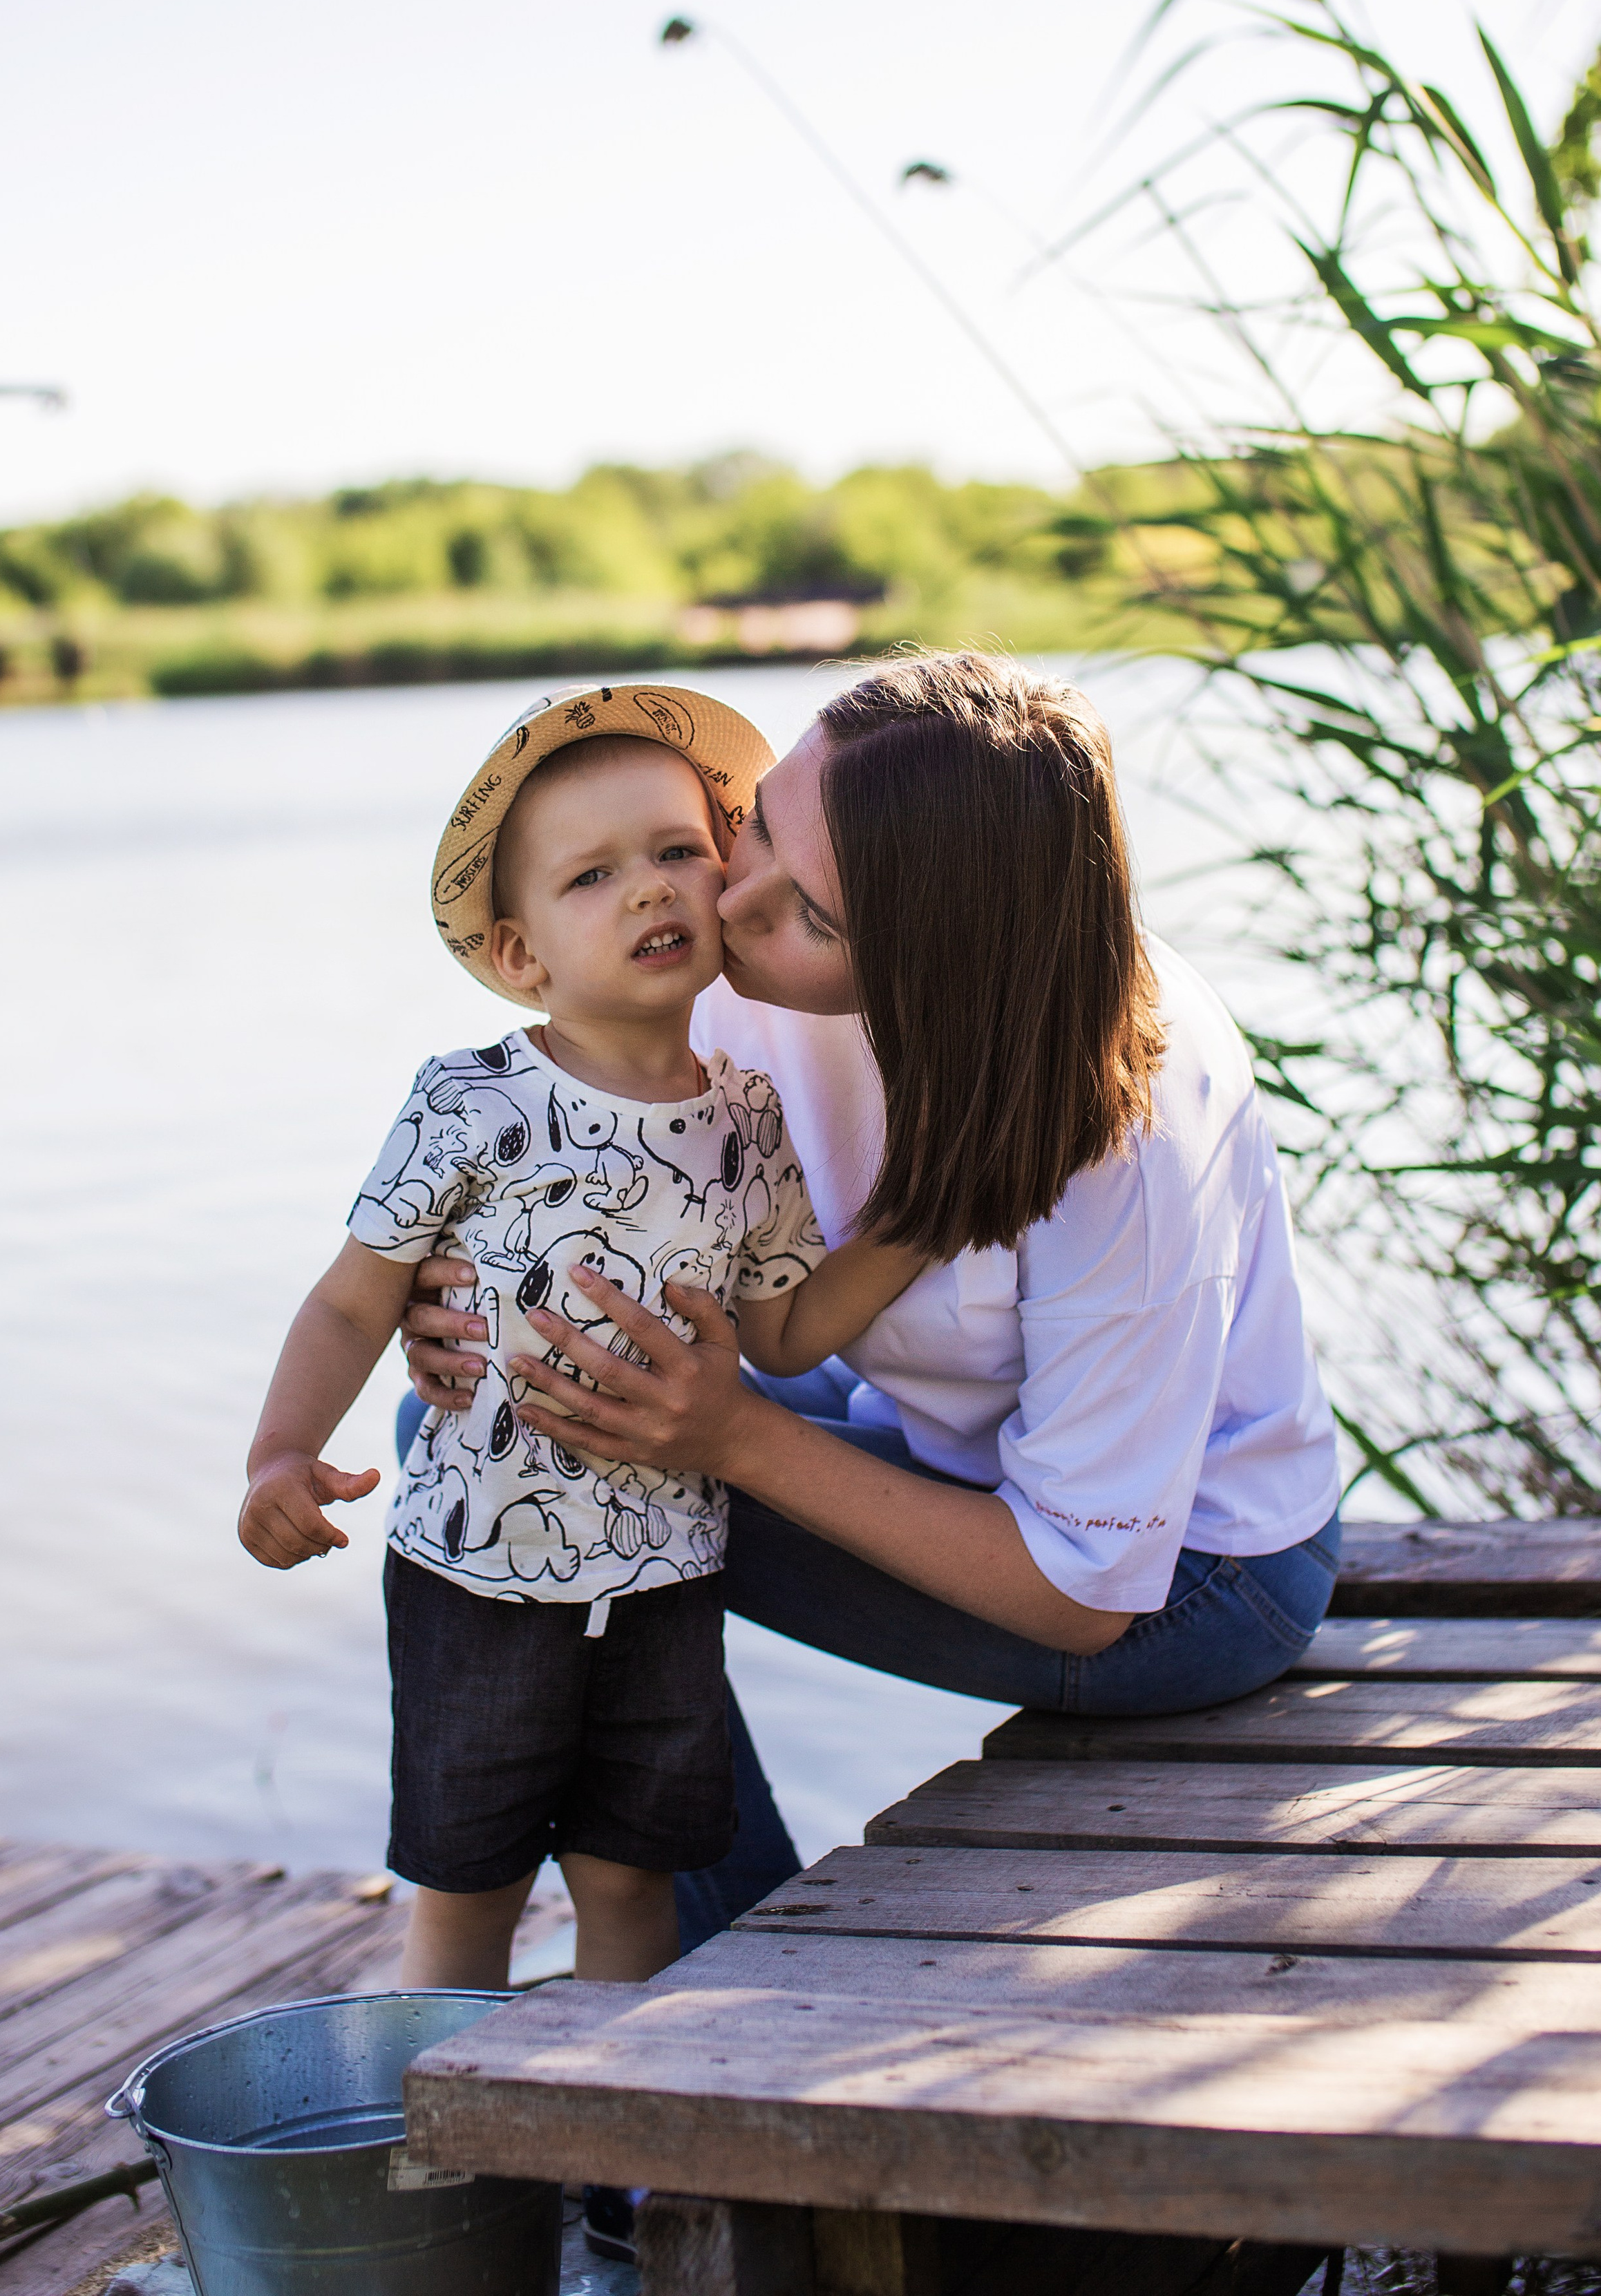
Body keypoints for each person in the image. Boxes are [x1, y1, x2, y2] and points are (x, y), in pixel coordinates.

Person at [397, 649, 1344, 1947]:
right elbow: (598, 1192)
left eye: (816, 921)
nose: (731, 903)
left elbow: (1088, 1585)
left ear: (929, 973)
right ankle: (686, 1921)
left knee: (601, 1439)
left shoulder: (1124, 1129)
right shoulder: (733, 948)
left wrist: (731, 1440)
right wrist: (474, 1301)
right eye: (764, 822)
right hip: (920, 1414)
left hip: (1188, 1580)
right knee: (517, 1413)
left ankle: (725, 1953)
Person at [237, 680, 922, 1996]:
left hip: (662, 1583)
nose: (652, 891)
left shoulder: (749, 1117)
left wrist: (920, 1222)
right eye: (594, 875)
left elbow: (781, 1333)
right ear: (520, 955)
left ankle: (624, 2178)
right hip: (475, 1582)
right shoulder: (467, 1102)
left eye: (678, 852)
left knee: (630, 1883)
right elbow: (351, 1297)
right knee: (469, 1890)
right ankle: (457, 2174)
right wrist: (282, 1451)